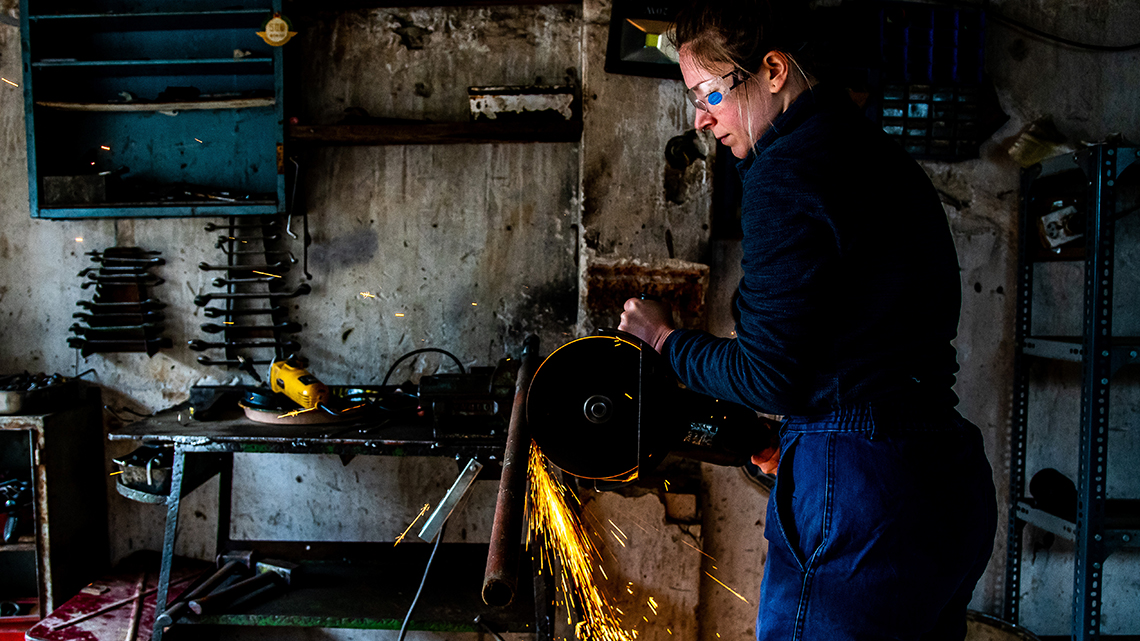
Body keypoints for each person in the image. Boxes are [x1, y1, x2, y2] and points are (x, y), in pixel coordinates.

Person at [616, 1, 998, 639]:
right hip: (939, 474)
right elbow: (862, 344)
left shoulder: (784, 173)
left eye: (710, 92)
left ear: (772, 71)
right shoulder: (879, 155)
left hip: (859, 487)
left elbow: (769, 378)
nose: (701, 117)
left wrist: (663, 339)